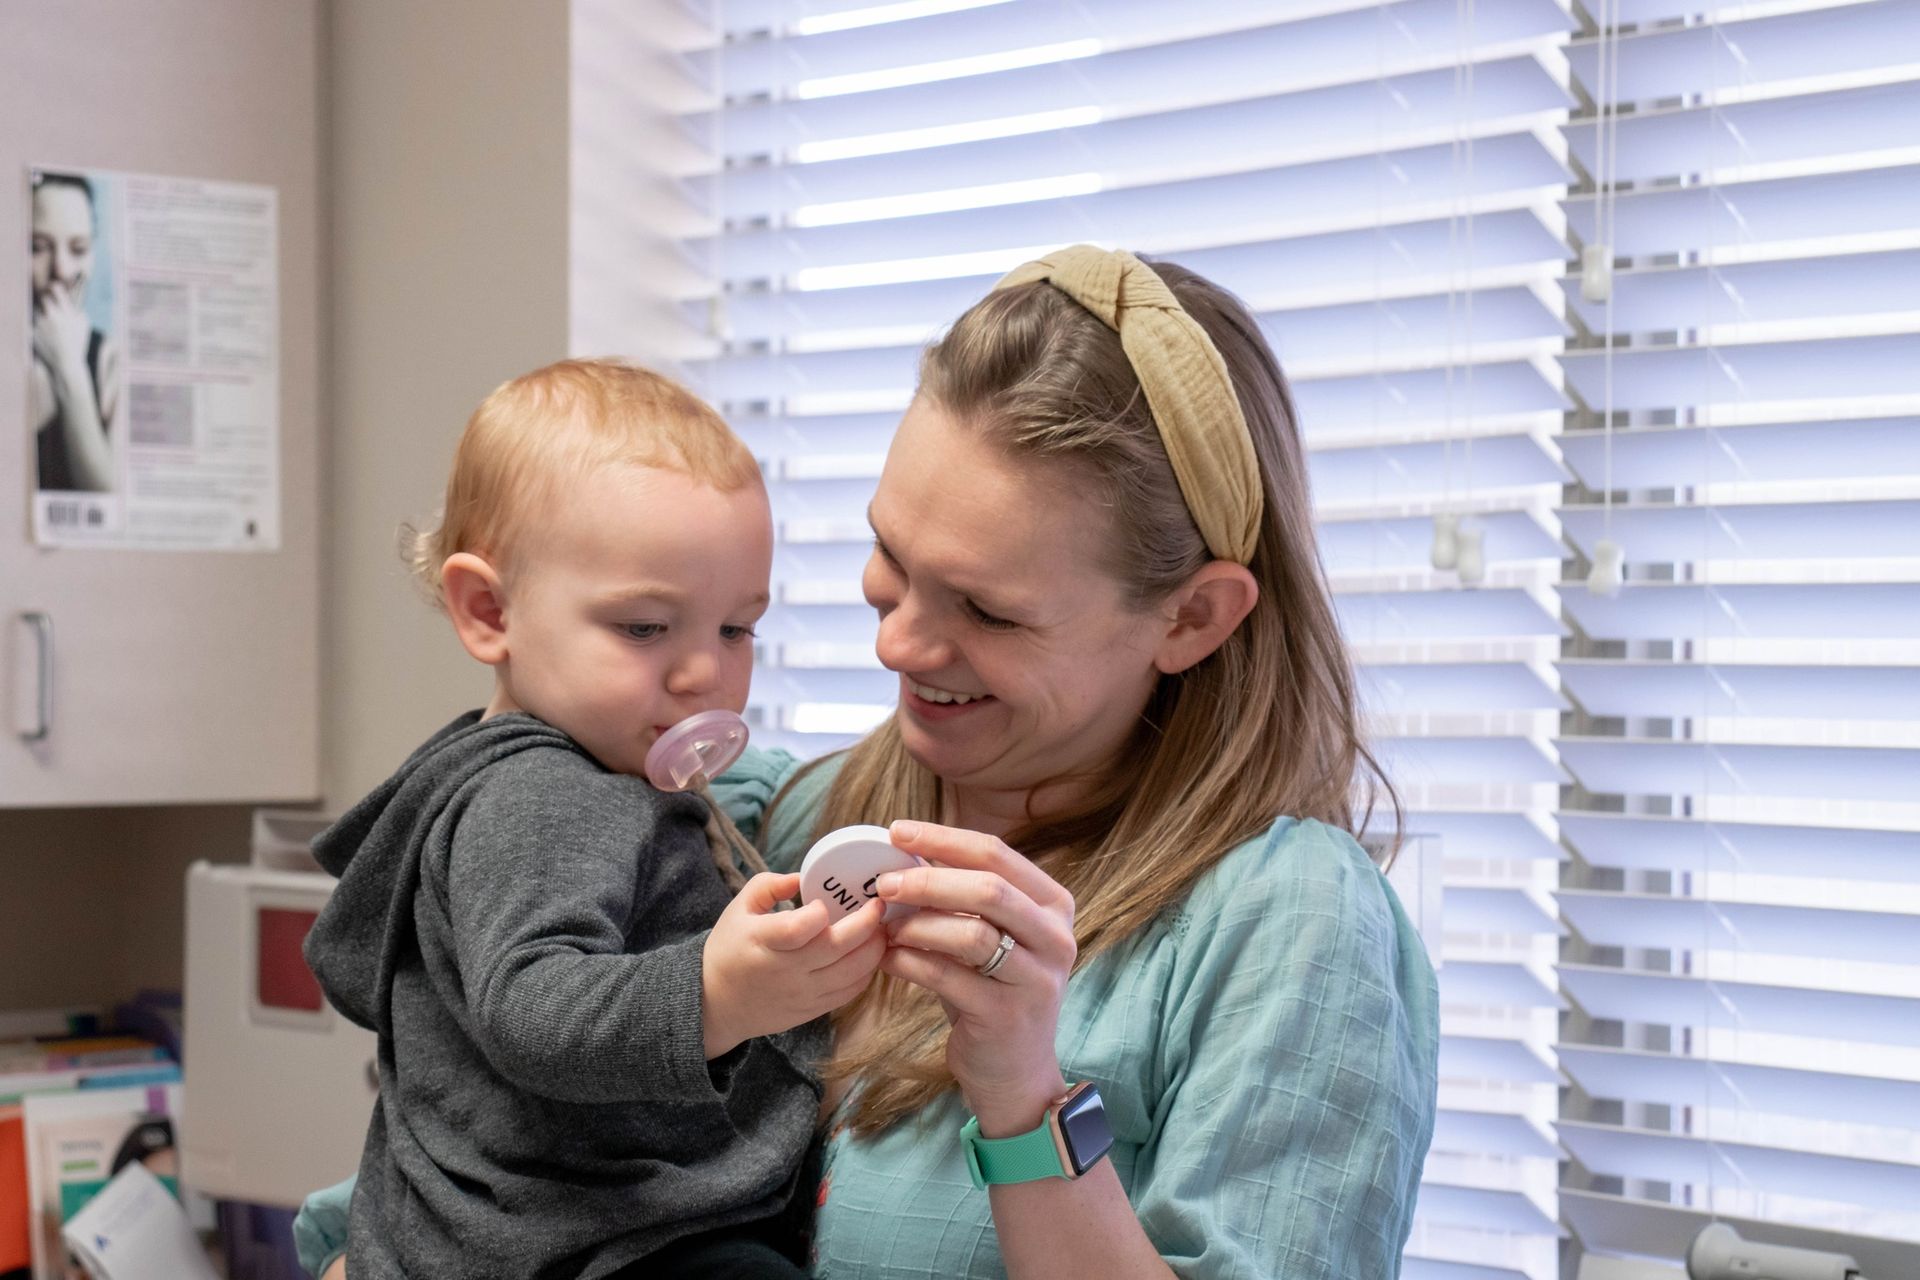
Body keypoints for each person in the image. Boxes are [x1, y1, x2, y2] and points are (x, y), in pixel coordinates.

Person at [300, 247, 1439, 1279]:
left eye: (986, 609)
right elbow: (463, 1169)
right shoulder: (773, 824)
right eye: (890, 557)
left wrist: (1025, 1100)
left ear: (1192, 617)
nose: (895, 642)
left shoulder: (1287, 926)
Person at [300, 359, 889, 1280]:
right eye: (647, 629)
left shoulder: (578, 769)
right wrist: (718, 996)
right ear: (489, 611)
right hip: (591, 1248)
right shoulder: (544, 794)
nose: (705, 675)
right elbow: (531, 1006)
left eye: (735, 631)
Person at [30, 170, 119, 493]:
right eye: (38, 247)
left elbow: (108, 498)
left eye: (78, 249)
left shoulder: (111, 361)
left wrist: (69, 365)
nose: (62, 270)